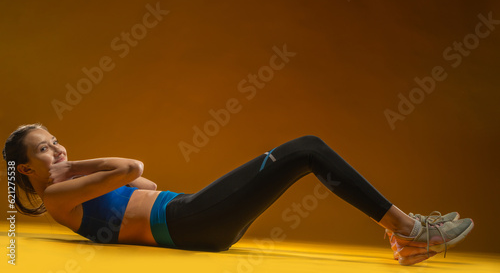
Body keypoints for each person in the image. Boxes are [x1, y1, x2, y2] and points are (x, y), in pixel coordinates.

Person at [3, 123, 473, 266]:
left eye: (56, 140)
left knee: (303, 154)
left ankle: (405, 234)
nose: (59, 149)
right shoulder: (61, 199)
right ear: (27, 168)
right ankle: (411, 231)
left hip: (193, 216)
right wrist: (69, 165)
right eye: (45, 149)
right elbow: (133, 169)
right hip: (188, 221)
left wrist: (65, 161)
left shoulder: (68, 189)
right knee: (305, 149)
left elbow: (141, 186)